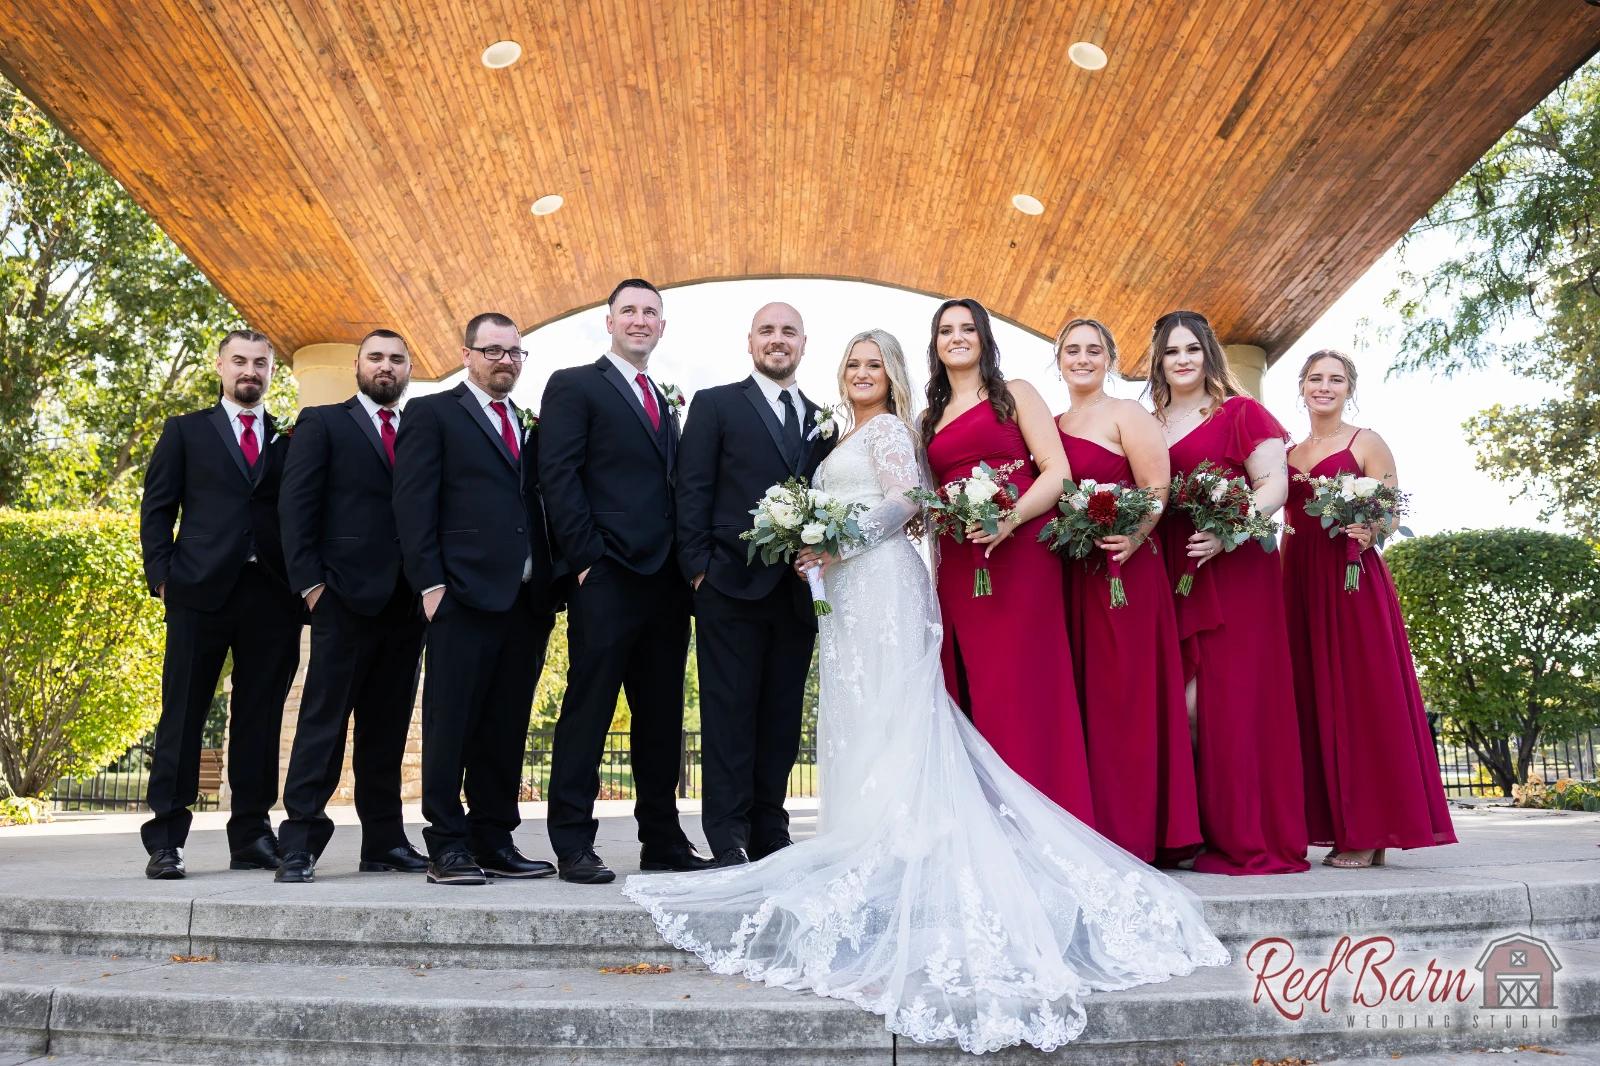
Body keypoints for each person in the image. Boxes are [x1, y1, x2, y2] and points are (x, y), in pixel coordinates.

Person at [624, 329, 1228, 1056]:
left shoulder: (889, 431)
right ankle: (865, 832)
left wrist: (834, 539)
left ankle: (903, 841)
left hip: (881, 582)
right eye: (853, 364)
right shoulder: (842, 433)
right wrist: (819, 547)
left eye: (875, 364)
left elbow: (898, 506)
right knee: (861, 713)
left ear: (893, 375)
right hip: (846, 595)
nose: (862, 373)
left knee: (895, 708)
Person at [539, 279, 708, 885]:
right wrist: (586, 558)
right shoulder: (574, 385)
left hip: (665, 582)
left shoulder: (664, 399)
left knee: (661, 714)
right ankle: (572, 842)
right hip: (606, 573)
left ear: (662, 326)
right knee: (589, 708)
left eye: (650, 313)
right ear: (608, 321)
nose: (640, 320)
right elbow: (557, 474)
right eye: (629, 311)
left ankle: (661, 838)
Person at [392, 312, 561, 886]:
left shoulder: (527, 424)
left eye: (514, 352)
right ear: (467, 355)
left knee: (505, 726)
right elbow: (413, 503)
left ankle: (495, 837)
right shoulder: (432, 413)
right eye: (493, 351)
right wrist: (431, 586)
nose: (505, 361)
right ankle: (447, 844)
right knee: (452, 724)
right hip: (460, 596)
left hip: (525, 602)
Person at [921, 298, 1093, 824]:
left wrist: (1010, 518)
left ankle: (1048, 812)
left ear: (984, 338)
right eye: (946, 330)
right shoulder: (928, 418)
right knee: (978, 681)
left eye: (967, 328)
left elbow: (1057, 471)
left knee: (1026, 679)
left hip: (1021, 552)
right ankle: (991, 818)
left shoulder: (1015, 394)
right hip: (960, 559)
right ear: (935, 344)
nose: (957, 338)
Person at [138, 329, 302, 879]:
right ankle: (166, 840)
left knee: (260, 718)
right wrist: (162, 578)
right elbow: (157, 509)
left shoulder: (289, 437)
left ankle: (251, 835)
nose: (249, 370)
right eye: (239, 361)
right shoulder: (185, 431)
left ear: (272, 372)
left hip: (272, 596)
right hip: (198, 592)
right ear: (220, 367)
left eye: (260, 363)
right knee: (183, 714)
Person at [674, 302, 834, 866]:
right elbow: (692, 487)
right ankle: (728, 833)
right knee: (728, 712)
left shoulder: (822, 420)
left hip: (795, 592)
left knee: (782, 716)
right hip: (727, 583)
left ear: (803, 344)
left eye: (789, 331)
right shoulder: (716, 404)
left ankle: (771, 828)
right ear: (750, 342)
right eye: (767, 330)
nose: (777, 339)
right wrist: (699, 569)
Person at [1151, 309, 1309, 875]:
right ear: (1158, 361)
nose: (1183, 360)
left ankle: (1246, 831)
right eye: (1172, 351)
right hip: (1173, 567)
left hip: (1235, 569)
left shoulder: (1241, 412)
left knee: (1228, 702)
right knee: (1180, 703)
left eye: (1192, 348)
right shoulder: (1150, 422)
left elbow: (1273, 486)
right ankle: (1191, 831)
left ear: (1209, 354)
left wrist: (1228, 530)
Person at [1283, 350, 1456, 869]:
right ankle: (1334, 824)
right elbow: (1281, 516)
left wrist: (1370, 529)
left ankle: (1370, 829)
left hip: (1351, 579)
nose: (1324, 387)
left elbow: (1390, 512)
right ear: (1302, 386)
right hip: (1299, 581)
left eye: (1335, 379)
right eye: (1316, 378)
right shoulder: (1288, 453)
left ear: (1349, 388)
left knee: (1361, 697)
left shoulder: (1367, 442)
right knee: (1312, 700)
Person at [274, 329, 428, 883]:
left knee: (387, 729)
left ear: (408, 369)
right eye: (376, 358)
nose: (386, 366)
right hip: (341, 597)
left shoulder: (420, 429)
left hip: (406, 603)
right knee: (324, 722)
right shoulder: (323, 423)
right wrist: (311, 587)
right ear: (358, 366)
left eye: (396, 359)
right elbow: (296, 507)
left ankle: (384, 841)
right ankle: (300, 843)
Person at [1053, 318, 1201, 863]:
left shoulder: (1128, 414)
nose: (1083, 359)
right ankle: (1093, 827)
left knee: (1128, 696)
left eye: (1094, 350)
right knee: (1084, 697)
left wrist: (1134, 536)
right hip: (1073, 575)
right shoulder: (1051, 424)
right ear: (1059, 360)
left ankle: (1140, 830)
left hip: (1127, 572)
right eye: (1073, 350)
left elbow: (1157, 487)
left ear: (1110, 359)